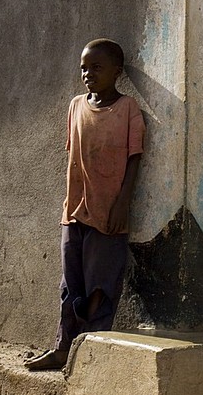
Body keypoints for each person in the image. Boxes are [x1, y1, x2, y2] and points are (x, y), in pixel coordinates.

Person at [25, 39, 145, 371]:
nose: (88, 74)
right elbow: (74, 156)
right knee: (70, 284)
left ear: (117, 72)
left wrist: (122, 203)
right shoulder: (76, 105)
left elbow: (134, 158)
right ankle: (63, 348)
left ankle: (91, 354)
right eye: (83, 68)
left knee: (100, 287)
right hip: (74, 211)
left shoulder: (128, 109)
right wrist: (71, 203)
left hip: (108, 213)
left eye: (96, 67)